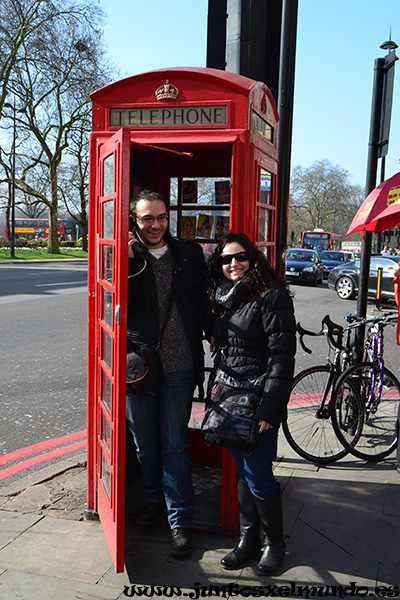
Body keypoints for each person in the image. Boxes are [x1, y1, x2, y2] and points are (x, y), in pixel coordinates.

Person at [126, 190, 213, 557]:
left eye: (161, 217)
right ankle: (152, 502)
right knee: (145, 445)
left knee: (175, 444)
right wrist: (126, 259)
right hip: (139, 366)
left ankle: (179, 519)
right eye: (147, 218)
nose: (155, 225)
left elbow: (208, 300)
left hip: (180, 364)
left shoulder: (189, 253)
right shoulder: (126, 256)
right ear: (135, 220)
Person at [206, 233, 296, 575]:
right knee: (242, 470)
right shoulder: (225, 297)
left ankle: (275, 544)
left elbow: (281, 357)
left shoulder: (270, 296)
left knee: (259, 474)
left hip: (256, 399)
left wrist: (270, 410)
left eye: (240, 257)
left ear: (254, 258)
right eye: (226, 260)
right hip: (228, 396)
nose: (233, 265)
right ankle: (248, 540)